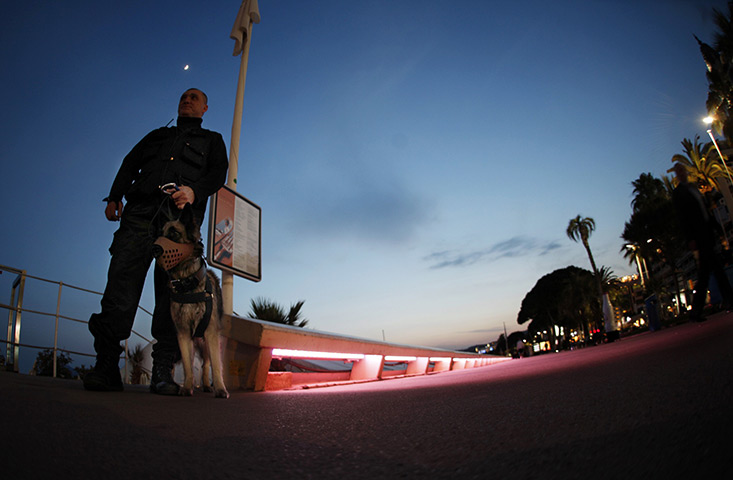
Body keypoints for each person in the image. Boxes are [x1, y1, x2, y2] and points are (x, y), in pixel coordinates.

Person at [83, 88, 228, 393]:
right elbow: (130, 162)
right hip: (139, 215)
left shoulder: (212, 140)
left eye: (193, 98)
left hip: (178, 223)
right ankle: (106, 365)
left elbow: (218, 173)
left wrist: (194, 191)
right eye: (183, 97)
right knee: (120, 284)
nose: (186, 100)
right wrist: (114, 196)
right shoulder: (156, 136)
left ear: (205, 108)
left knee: (171, 295)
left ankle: (163, 370)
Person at [671, 163, 733, 322]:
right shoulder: (678, 193)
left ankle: (698, 310)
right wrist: (690, 238)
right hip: (699, 236)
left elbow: (703, 210)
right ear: (676, 175)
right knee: (712, 270)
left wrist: (716, 228)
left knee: (709, 271)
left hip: (706, 233)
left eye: (682, 170)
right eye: (678, 171)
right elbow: (682, 217)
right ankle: (702, 308)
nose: (682, 173)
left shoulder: (693, 188)